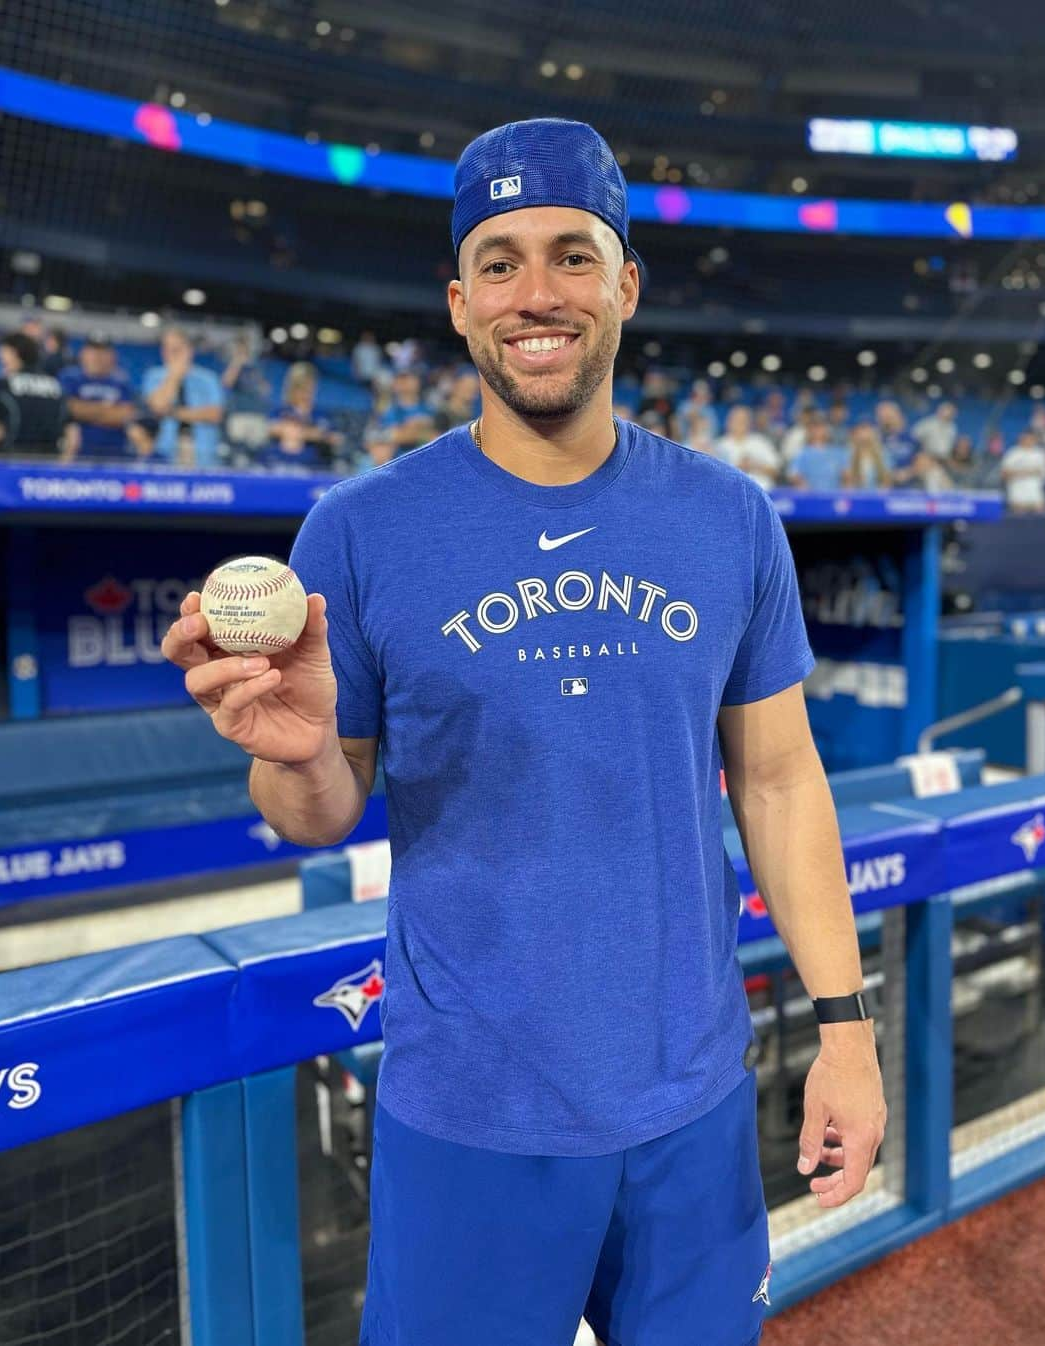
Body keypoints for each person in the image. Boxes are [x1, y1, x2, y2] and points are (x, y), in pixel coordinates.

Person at [162, 118, 885, 1346]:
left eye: (569, 254)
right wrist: (292, 757)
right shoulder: (360, 527)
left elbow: (777, 780)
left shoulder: (728, 517)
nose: (535, 293)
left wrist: (846, 1029)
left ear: (625, 285)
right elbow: (324, 807)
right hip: (469, 1112)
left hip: (692, 1104)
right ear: (458, 300)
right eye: (498, 262)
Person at [137, 326, 224, 467]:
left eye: (176, 349)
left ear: (189, 351)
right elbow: (157, 407)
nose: (170, 354)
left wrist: (172, 412)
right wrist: (173, 376)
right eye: (166, 349)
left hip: (202, 450)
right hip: (166, 450)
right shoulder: (153, 376)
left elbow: (214, 414)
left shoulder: (208, 378)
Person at [59, 336, 137, 462]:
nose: (97, 356)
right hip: (77, 455)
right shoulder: (69, 377)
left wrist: (86, 410)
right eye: (93, 351)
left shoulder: (122, 381)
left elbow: (125, 414)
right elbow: (70, 408)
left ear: (112, 356)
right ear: (83, 353)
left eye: (103, 352)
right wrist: (107, 410)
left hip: (115, 456)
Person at [259, 362, 341, 470]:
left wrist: (296, 432)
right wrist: (314, 433)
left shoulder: (321, 414)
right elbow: (272, 429)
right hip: (281, 462)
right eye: (301, 387)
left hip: (314, 463)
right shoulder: (280, 411)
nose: (306, 392)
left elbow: (336, 438)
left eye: (310, 386)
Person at [0, 332, 67, 456]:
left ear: (15, 352)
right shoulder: (55, 385)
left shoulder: (4, 386)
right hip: (48, 463)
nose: (1, 357)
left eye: (4, 353)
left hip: (10, 462)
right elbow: (71, 433)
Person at [717, 403, 781, 487]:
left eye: (743, 420)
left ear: (749, 423)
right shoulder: (720, 445)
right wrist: (737, 467)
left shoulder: (760, 441)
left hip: (763, 491)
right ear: (728, 422)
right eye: (736, 420)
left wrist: (754, 465)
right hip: (730, 493)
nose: (739, 424)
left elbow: (775, 471)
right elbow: (715, 476)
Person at [787, 414, 850, 491]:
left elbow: (847, 476)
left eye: (821, 427)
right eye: (814, 427)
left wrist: (845, 488)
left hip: (834, 496)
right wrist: (802, 484)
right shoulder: (802, 453)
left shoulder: (838, 452)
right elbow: (793, 475)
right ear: (809, 430)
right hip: (810, 497)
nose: (818, 431)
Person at [1000, 428, 1045, 513]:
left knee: (1041, 513)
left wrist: (1021, 473)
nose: (1028, 441)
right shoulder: (1012, 453)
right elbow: (1004, 473)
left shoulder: (1040, 454)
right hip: (1017, 490)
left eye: (1030, 439)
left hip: (1035, 490)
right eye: (1025, 438)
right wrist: (1026, 472)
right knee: (1019, 515)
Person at [844, 422, 892, 489]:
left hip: (877, 493)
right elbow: (847, 480)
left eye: (867, 430)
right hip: (857, 493)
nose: (864, 434)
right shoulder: (849, 453)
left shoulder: (882, 454)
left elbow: (887, 479)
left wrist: (882, 493)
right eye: (861, 431)